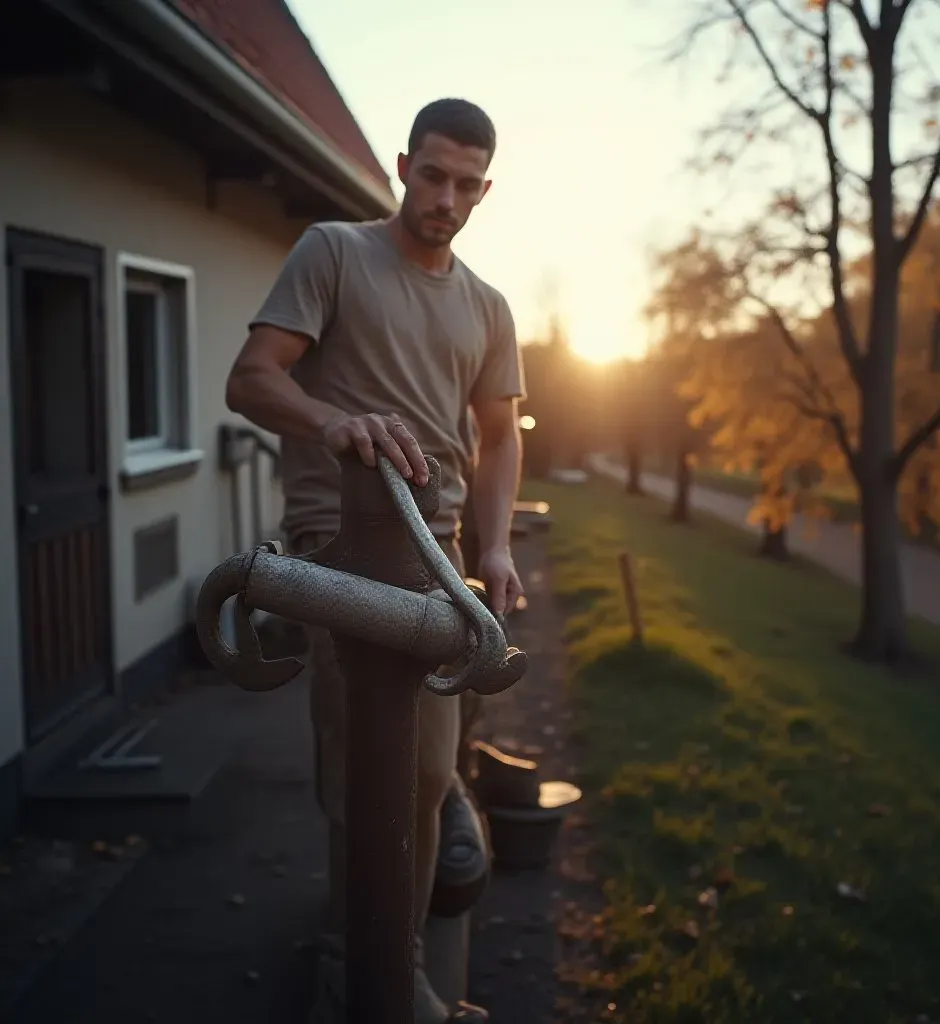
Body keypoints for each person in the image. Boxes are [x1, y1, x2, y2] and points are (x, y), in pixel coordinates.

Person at [224, 98, 525, 1023]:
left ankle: (382, 957)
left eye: (466, 184)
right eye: (431, 175)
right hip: (341, 541)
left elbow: (500, 432)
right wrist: (336, 422)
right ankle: (365, 968)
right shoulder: (334, 251)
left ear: (485, 189)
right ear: (402, 166)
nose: (445, 197)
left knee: (428, 772)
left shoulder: (487, 304)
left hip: (438, 552)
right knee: (364, 769)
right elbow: (252, 378)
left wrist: (498, 542)